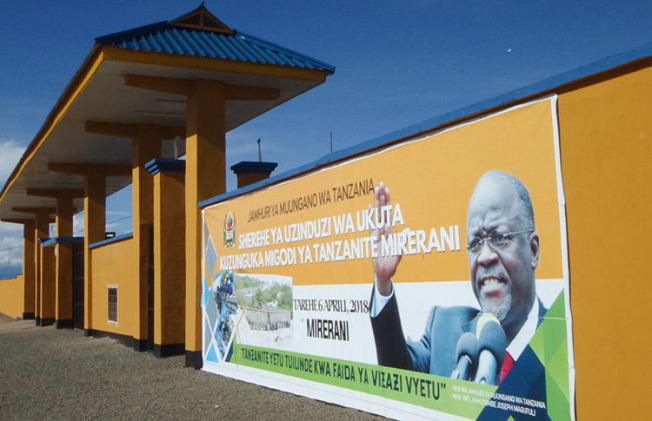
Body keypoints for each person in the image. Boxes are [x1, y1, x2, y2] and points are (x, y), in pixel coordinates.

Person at [370, 170, 546, 384]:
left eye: (499, 237)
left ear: (533, 250)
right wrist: (382, 282)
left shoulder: (562, 344)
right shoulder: (444, 329)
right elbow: (397, 377)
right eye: (475, 243)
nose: (485, 257)